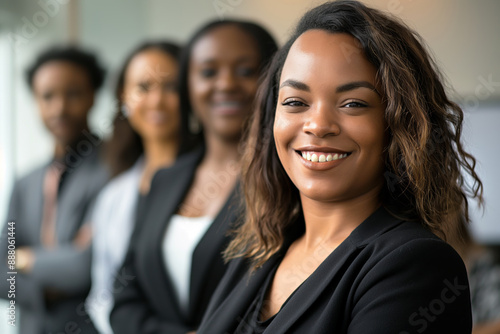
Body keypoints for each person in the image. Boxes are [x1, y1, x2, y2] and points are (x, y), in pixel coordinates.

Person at [196, 1, 484, 333]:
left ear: (398, 125)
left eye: (353, 104)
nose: (317, 125)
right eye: (295, 102)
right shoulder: (257, 251)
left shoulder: (415, 264)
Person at [110, 20, 277, 334]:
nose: (226, 84)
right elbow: (123, 303)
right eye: (208, 72)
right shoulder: (165, 180)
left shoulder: (285, 183)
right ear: (188, 85)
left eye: (244, 71)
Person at [0, 46, 108, 333]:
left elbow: (86, 267)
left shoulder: (114, 172)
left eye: (73, 94)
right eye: (47, 96)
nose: (59, 108)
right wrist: (40, 292)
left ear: (93, 96)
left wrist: (22, 259)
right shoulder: (25, 183)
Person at [84, 41, 185, 334]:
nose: (157, 100)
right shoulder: (113, 196)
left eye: (171, 87)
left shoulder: (213, 180)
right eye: (143, 87)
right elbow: (101, 296)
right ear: (124, 99)